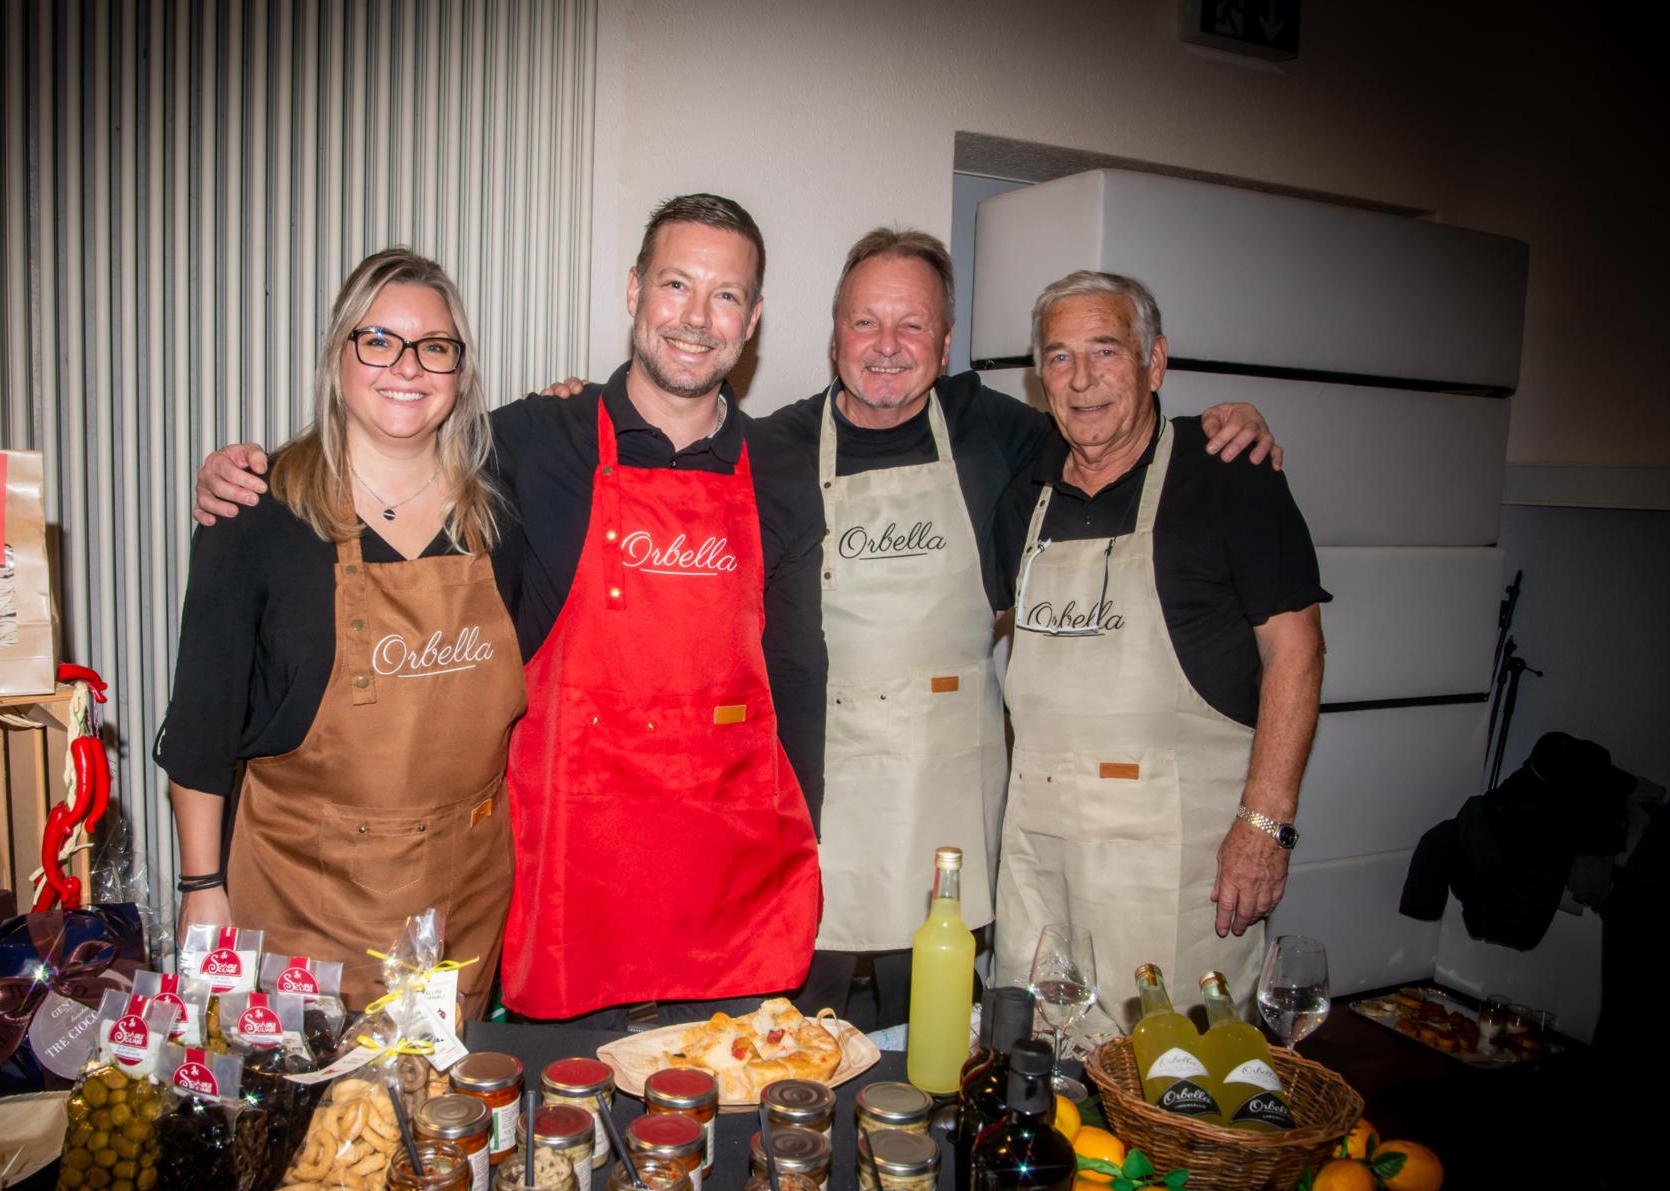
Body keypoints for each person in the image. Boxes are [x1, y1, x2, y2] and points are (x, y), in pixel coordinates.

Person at [530, 229, 1278, 1028]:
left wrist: (1215, 428)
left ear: (946, 343)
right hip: (808, 819)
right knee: (789, 1055)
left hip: (947, 818)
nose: (887, 347)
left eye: (912, 326)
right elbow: (661, 460)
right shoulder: (771, 448)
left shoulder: (1005, 437)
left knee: (937, 1065)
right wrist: (577, 412)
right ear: (831, 336)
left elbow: (1114, 424)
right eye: (864, 323)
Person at [194, 196, 824, 1024]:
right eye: (675, 284)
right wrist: (249, 473)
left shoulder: (782, 467)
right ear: (634, 290)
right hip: (573, 887)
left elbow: (797, 676)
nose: (697, 318)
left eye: (727, 295)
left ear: (755, 318)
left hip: (724, 887)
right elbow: (395, 432)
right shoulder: (529, 439)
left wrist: (802, 843)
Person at [156, 248, 524, 1015]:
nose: (408, 367)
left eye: (436, 347)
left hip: (465, 896)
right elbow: (201, 727)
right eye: (379, 339)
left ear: (460, 371)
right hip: (305, 897)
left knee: (443, 1119)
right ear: (339, 354)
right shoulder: (256, 514)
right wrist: (201, 892)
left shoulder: (502, 512)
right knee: (315, 1124)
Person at [992, 270, 1327, 1035]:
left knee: (1180, 1082)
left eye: (1106, 351)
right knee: (1042, 1080)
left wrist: (1266, 827)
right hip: (1040, 858)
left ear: (1155, 361)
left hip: (1172, 867)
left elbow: (1296, 653)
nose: (1081, 381)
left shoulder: (1227, 476)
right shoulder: (1025, 497)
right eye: (1059, 357)